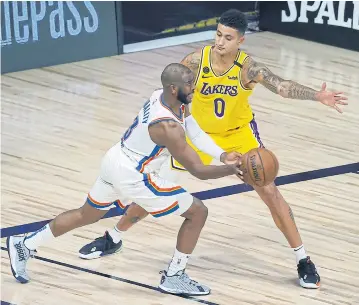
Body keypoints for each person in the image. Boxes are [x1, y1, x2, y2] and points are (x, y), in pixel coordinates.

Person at [78, 9, 348, 289]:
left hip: (238, 135)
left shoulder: (248, 68)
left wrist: (317, 95)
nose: (220, 42)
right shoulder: (195, 61)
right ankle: (114, 237)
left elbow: (281, 86)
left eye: (227, 38)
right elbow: (172, 95)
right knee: (158, 187)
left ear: (240, 41)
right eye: (218, 34)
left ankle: (303, 259)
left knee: (270, 191)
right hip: (198, 135)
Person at [6, 63, 244, 296]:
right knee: (197, 212)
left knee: (86, 214)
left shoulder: (162, 97)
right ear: (173, 88)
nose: (194, 88)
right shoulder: (168, 127)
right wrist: (233, 170)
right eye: (189, 84)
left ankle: (24, 244)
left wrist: (222, 155)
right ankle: (174, 276)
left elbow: (192, 127)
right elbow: (198, 170)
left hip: (115, 159)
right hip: (133, 174)